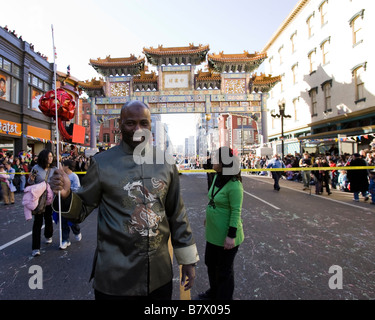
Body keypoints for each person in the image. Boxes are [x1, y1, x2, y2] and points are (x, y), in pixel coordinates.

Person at [49, 100, 198, 300]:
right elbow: (82, 208)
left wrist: (187, 260)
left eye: (144, 123)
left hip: (158, 277)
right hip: (114, 278)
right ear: (120, 124)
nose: (138, 129)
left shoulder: (166, 163)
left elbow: (177, 214)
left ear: (150, 125)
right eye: (130, 123)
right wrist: (66, 195)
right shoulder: (102, 164)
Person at [198, 146, 244, 300]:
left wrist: (231, 236)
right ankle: (214, 292)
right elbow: (213, 199)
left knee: (224, 271)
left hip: (226, 235)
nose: (212, 161)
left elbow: (236, 211)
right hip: (213, 233)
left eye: (215, 158)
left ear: (223, 162)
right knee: (210, 263)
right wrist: (209, 217)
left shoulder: (234, 184)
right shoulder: (217, 177)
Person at [28, 149, 56, 257]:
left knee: (48, 219)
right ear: (43, 157)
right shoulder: (36, 168)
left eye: (51, 156)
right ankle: (35, 248)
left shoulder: (54, 169)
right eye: (48, 156)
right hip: (38, 199)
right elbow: (30, 182)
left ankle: (48, 235)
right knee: (37, 223)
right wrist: (30, 179)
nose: (50, 158)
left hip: (50, 199)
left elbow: (58, 180)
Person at [59, 159, 82, 250]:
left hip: (71, 202)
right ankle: (65, 239)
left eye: (63, 165)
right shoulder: (61, 176)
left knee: (72, 221)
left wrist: (67, 190)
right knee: (63, 221)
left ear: (67, 166)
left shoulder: (74, 176)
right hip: (62, 202)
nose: (62, 167)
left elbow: (77, 188)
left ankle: (77, 231)